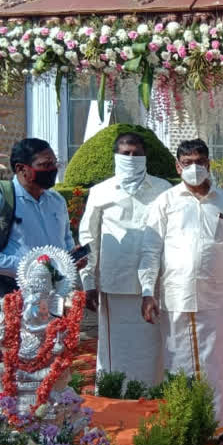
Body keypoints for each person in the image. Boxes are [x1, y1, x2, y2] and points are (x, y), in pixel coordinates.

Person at [137, 138, 223, 445]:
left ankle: (221, 425)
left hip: (217, 298)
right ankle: (183, 421)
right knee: (179, 361)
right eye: (187, 163)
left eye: (199, 161)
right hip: (176, 295)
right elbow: (150, 249)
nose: (194, 167)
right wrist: (148, 291)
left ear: (209, 163)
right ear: (177, 166)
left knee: (219, 361)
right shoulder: (165, 202)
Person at [78, 132, 171, 388]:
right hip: (113, 283)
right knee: (115, 348)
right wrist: (87, 282)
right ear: (116, 156)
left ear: (145, 156)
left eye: (136, 154)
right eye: (126, 154)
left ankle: (153, 395)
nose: (131, 158)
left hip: (154, 285)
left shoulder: (163, 190)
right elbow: (89, 239)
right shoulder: (100, 192)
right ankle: (113, 392)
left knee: (152, 346)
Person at [0, 138, 81, 315]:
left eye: (54, 163)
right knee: (18, 343)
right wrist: (26, 267)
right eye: (45, 164)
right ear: (21, 168)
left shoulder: (56, 201)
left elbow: (65, 239)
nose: (53, 169)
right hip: (14, 294)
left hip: (55, 295)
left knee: (56, 341)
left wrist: (72, 258)